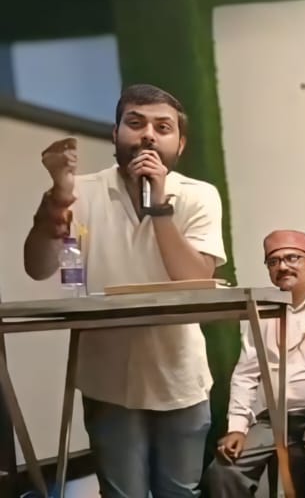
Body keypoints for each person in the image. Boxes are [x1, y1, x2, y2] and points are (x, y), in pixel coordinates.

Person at [22, 84, 224, 497]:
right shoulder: (78, 192)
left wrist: (160, 207)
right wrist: (54, 206)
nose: (148, 135)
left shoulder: (198, 195)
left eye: (162, 128)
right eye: (135, 123)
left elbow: (196, 282)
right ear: (115, 135)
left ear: (180, 144)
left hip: (179, 378)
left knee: (180, 493)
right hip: (107, 380)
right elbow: (38, 268)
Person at [205, 230, 305, 497]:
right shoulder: (262, 310)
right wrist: (237, 428)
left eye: (292, 258)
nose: (283, 266)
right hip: (274, 418)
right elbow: (245, 374)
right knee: (224, 469)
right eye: (273, 261)